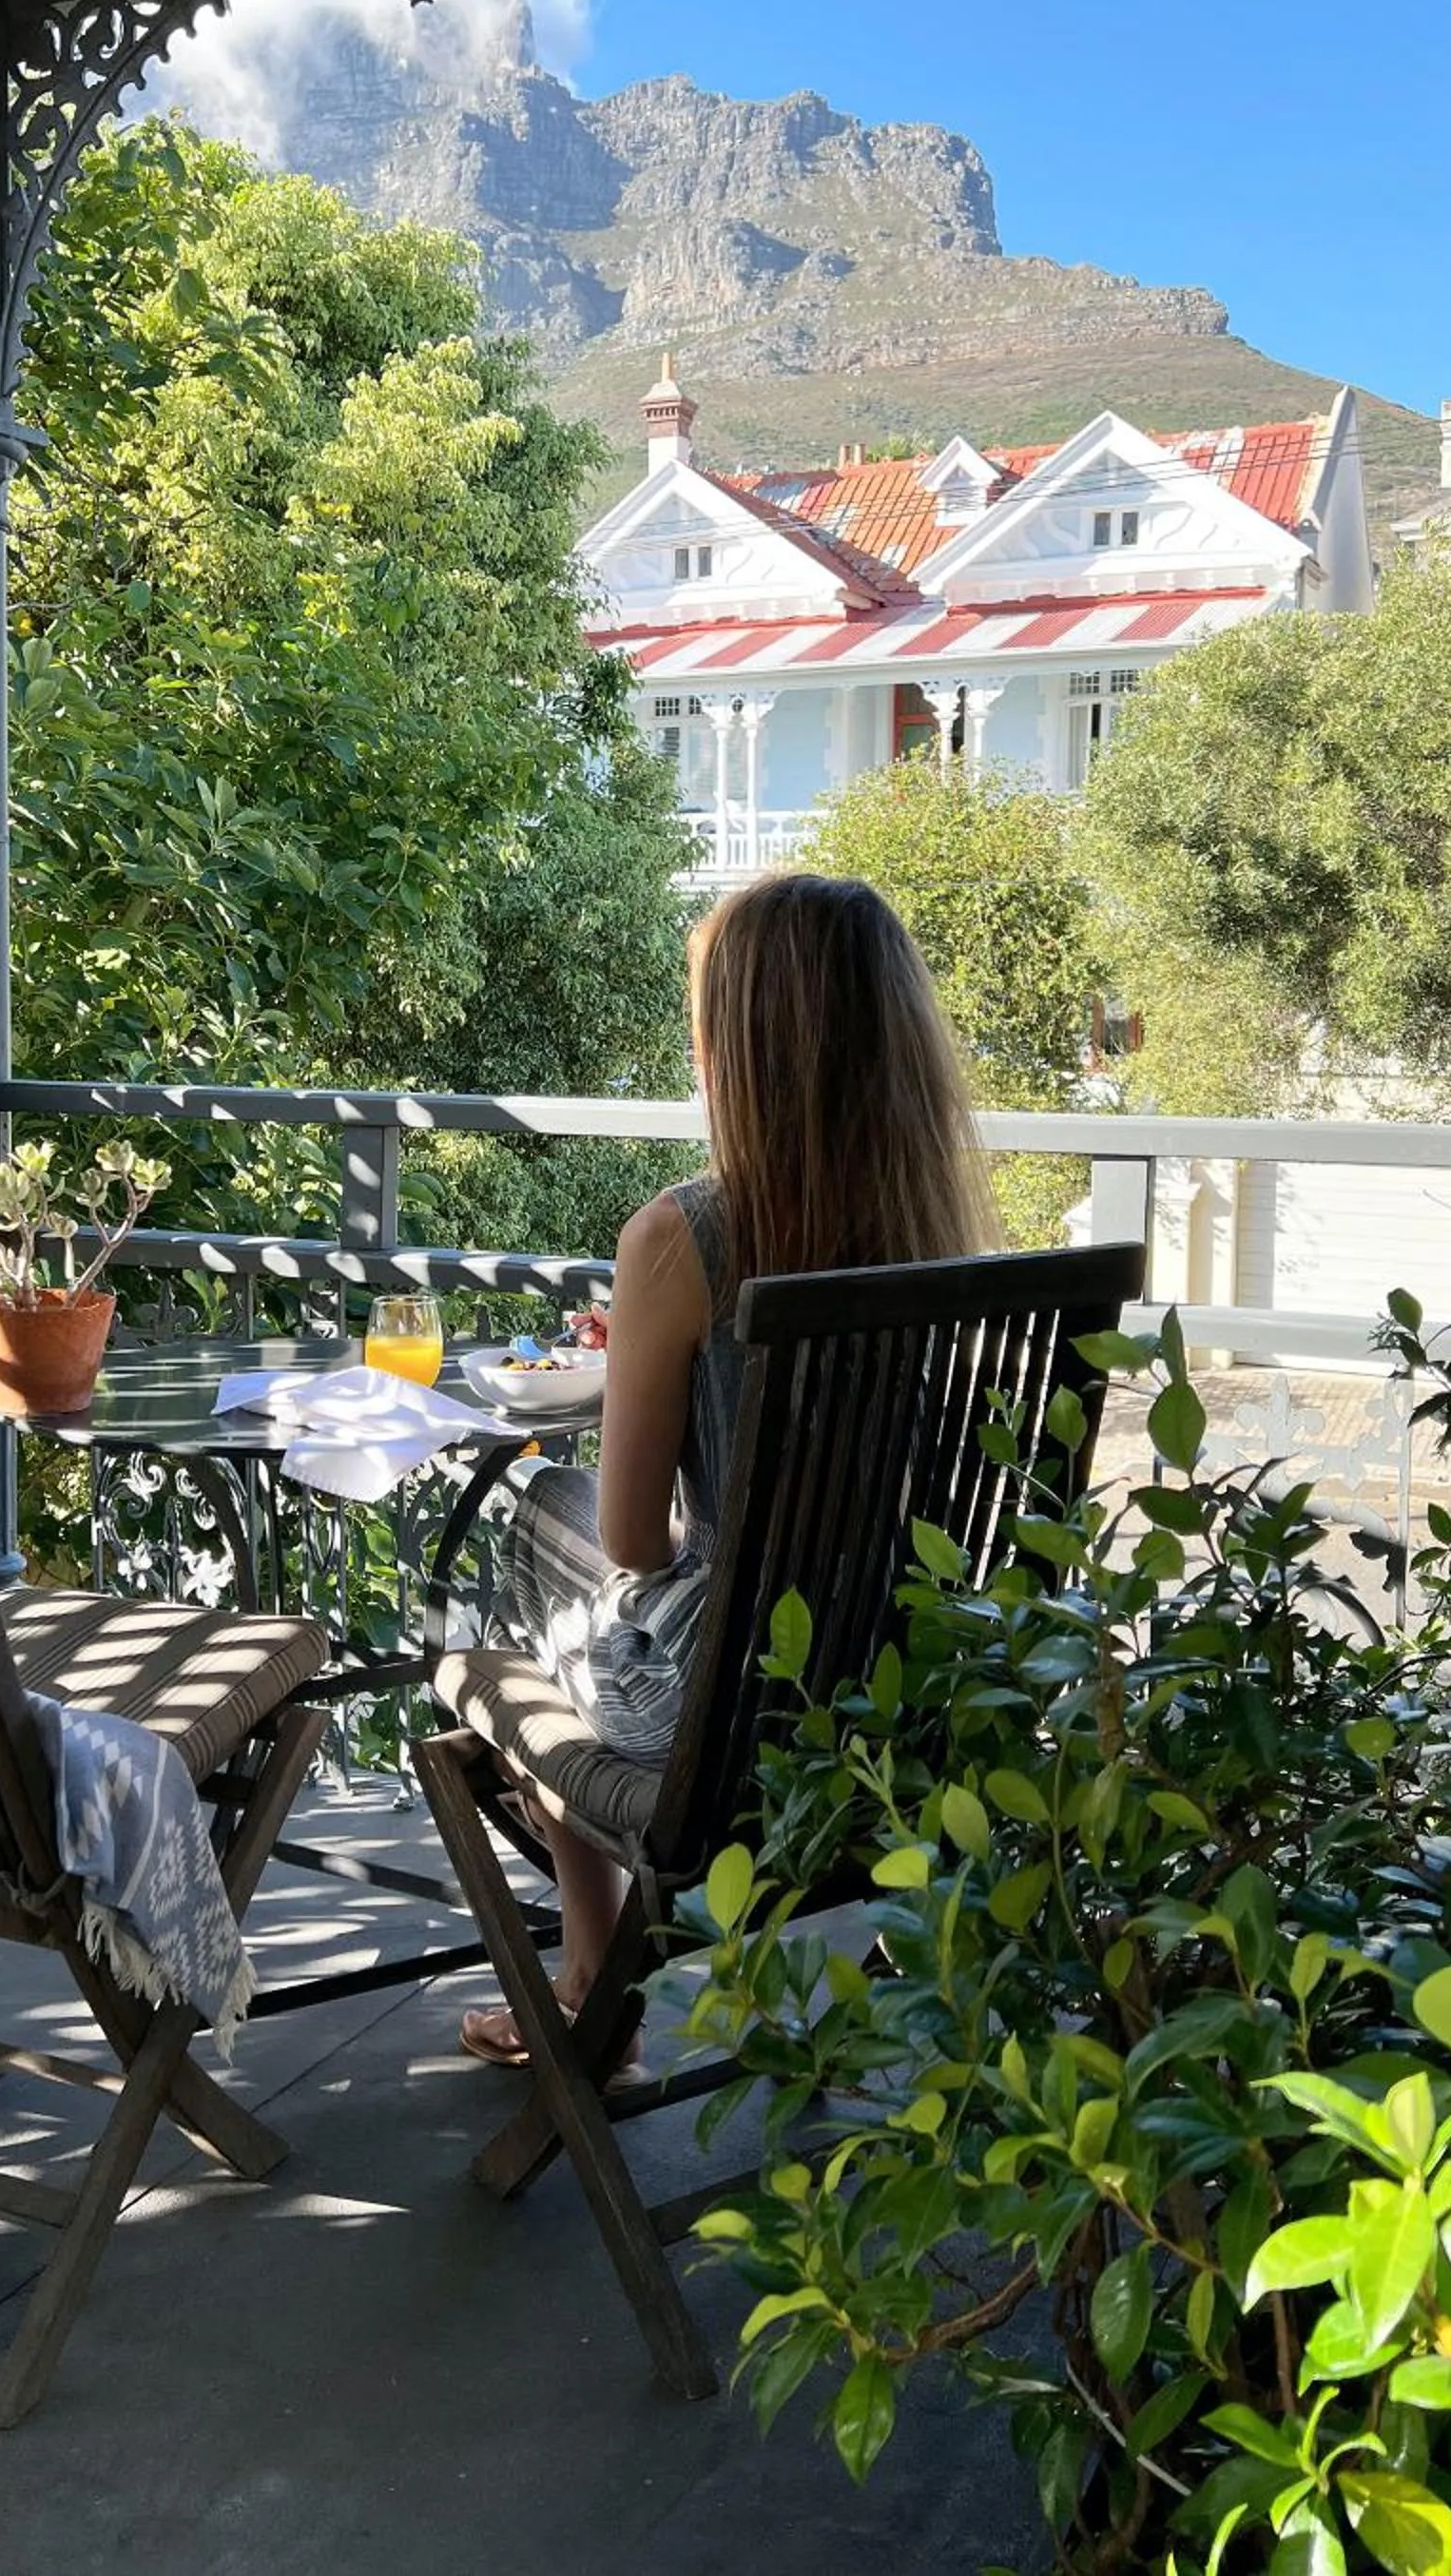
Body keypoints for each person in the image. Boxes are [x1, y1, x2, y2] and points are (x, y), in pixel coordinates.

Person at [457, 870, 998, 2067]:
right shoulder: (950, 1236)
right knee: (554, 1539)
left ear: (738, 1047)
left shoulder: (682, 1236)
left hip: (728, 1726)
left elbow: (640, 1540)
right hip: (913, 1699)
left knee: (525, 1537)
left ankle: (593, 1975)